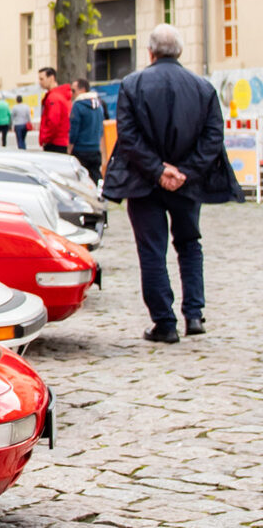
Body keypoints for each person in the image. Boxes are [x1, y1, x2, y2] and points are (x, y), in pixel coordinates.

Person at [102, 25, 237, 341]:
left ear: (150, 52)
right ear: (180, 52)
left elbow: (128, 136)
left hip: (143, 182)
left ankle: (164, 322)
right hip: (186, 185)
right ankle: (194, 314)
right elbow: (213, 136)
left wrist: (158, 170)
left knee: (152, 251)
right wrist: (185, 171)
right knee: (190, 244)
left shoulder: (133, 85)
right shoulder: (202, 88)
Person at [68, 78, 106, 184]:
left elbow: (74, 129)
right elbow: (101, 128)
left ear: (83, 90)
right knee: (96, 177)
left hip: (81, 148)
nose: (72, 94)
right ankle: (99, 197)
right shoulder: (99, 105)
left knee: (81, 180)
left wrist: (70, 147)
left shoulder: (78, 105)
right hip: (95, 148)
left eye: (74, 90)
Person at [38, 68, 74, 155]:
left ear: (51, 78)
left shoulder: (53, 98)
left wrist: (45, 138)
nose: (40, 82)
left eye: (42, 79)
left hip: (55, 143)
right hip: (61, 141)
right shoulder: (61, 96)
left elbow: (53, 121)